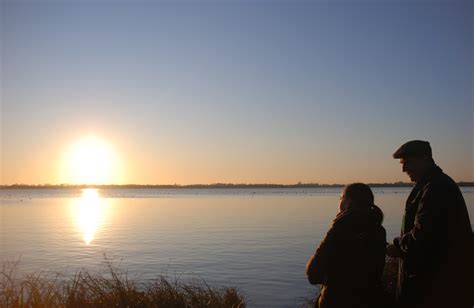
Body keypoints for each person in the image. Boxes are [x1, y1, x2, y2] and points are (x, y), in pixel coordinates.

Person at [386, 140, 473, 308]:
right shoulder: (431, 185)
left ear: (425, 158)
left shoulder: (436, 188)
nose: (403, 169)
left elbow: (422, 237)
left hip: (434, 289)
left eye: (407, 162)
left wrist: (396, 246)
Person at [306, 183, 387, 308]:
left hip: (337, 300)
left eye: (341, 198)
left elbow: (313, 273)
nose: (339, 203)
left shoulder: (340, 229)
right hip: (370, 299)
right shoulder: (379, 230)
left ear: (349, 202)